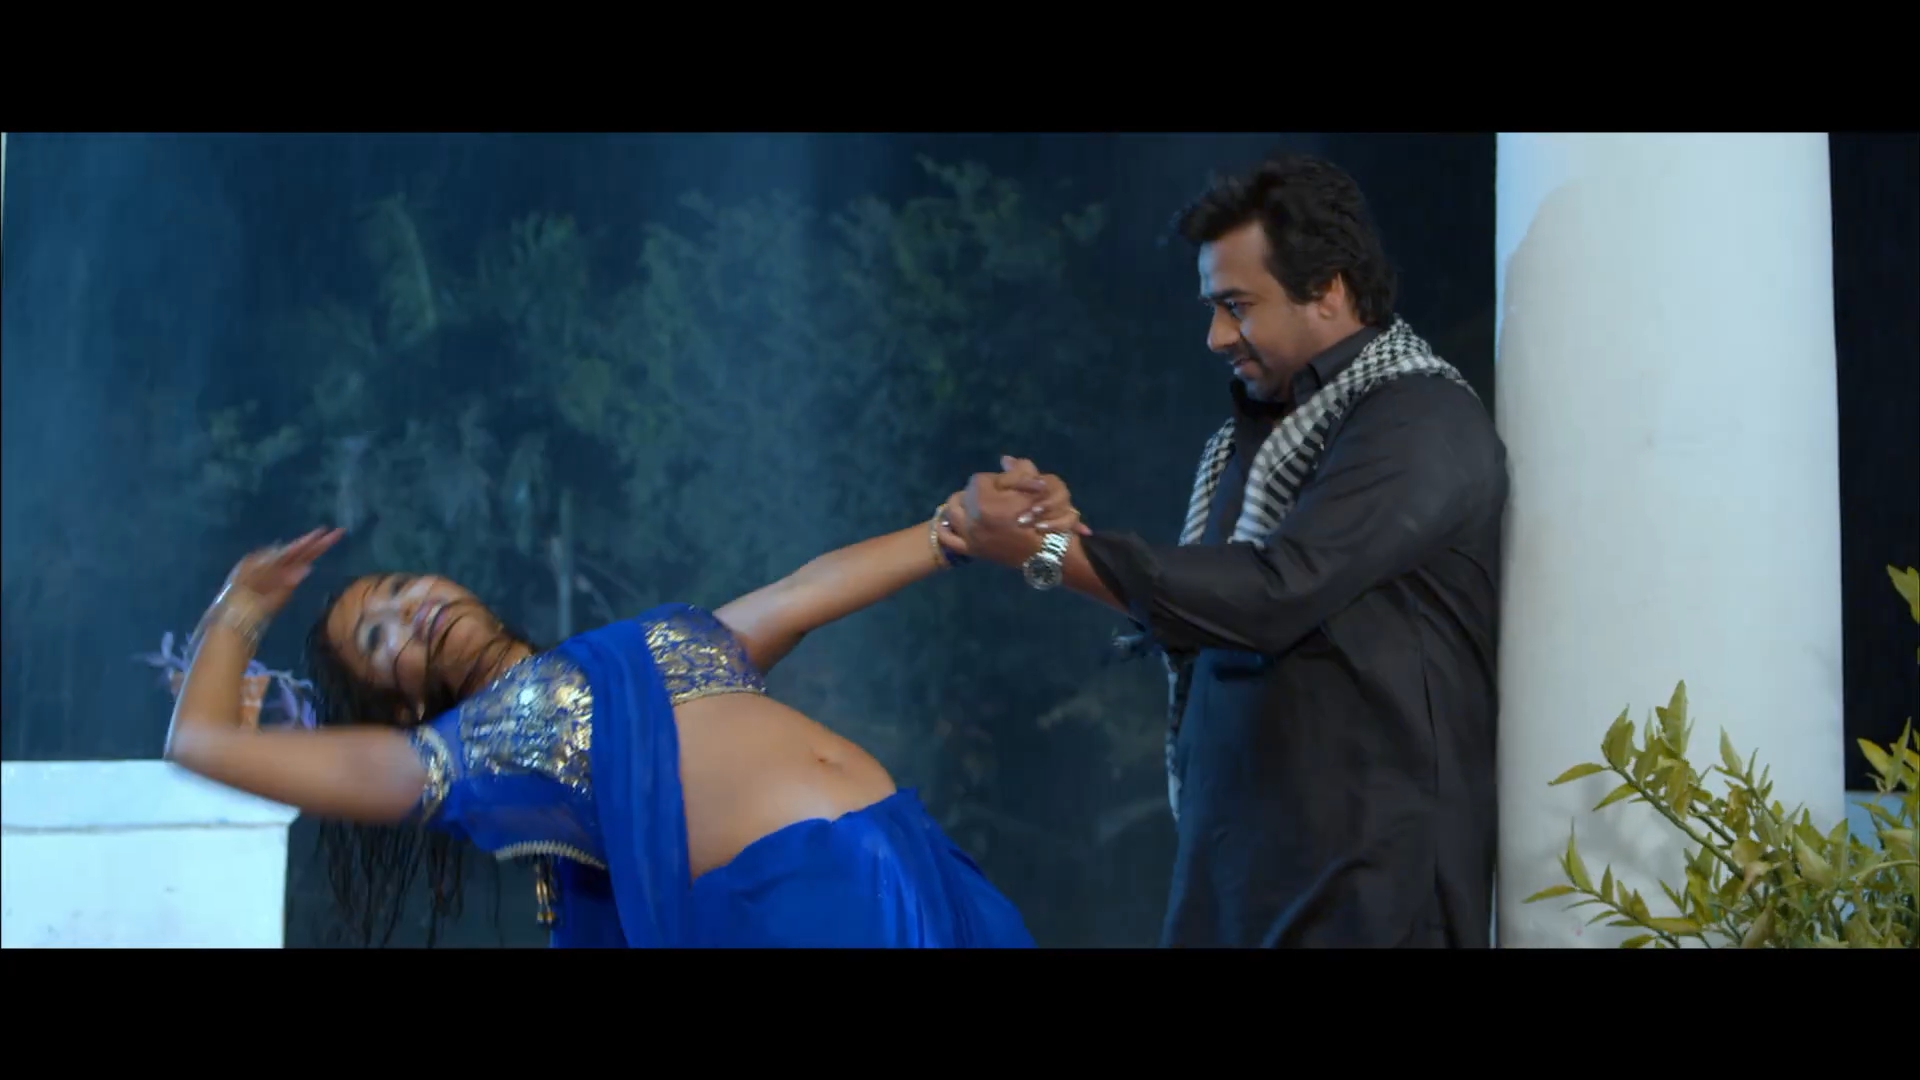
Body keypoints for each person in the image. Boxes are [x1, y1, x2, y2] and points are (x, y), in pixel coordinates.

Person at [940, 154, 1508, 948]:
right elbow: (1208, 604)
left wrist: (1054, 553)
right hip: (1242, 878)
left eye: (1236, 306)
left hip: (1371, 891)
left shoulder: (1420, 420)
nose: (1214, 337)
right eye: (1212, 308)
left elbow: (1274, 592)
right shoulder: (1254, 438)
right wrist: (1059, 543)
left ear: (1329, 289)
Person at [161, 485, 1069, 949]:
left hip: (918, 865)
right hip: (805, 911)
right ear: (402, 702)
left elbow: (804, 591)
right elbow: (199, 743)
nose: (408, 611)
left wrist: (957, 530)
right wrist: (242, 605)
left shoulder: (656, 637)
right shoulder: (461, 756)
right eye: (378, 635)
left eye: (400, 588)